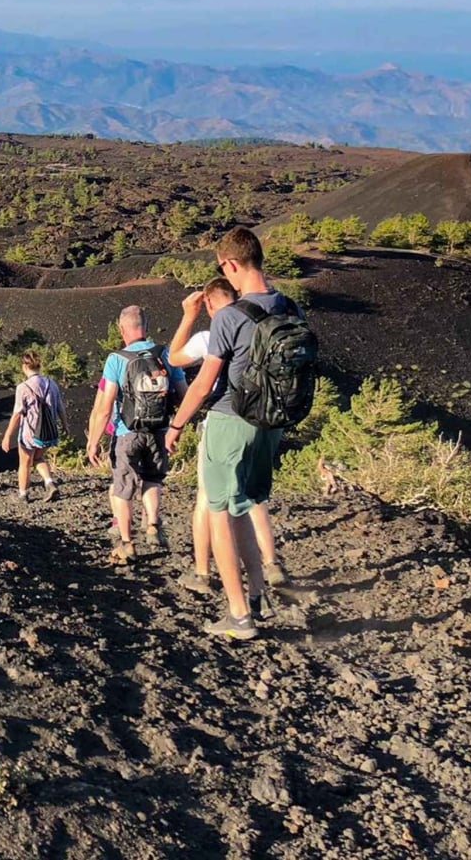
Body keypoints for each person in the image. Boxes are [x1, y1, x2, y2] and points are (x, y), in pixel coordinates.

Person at [165, 227, 308, 640]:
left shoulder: (231, 316)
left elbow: (203, 383)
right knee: (244, 505)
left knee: (219, 513)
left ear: (230, 265)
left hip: (231, 419)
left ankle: (239, 614)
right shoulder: (290, 307)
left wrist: (176, 425)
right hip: (272, 423)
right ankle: (257, 596)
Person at [168, 278, 288, 595]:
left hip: (224, 421)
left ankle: (203, 572)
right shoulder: (258, 328)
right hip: (263, 420)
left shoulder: (211, 335)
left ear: (208, 303)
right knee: (254, 499)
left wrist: (188, 316)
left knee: (209, 500)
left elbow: (174, 358)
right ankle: (271, 564)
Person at [86, 305, 187, 559]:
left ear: (122, 330)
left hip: (126, 432)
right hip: (159, 430)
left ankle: (127, 543)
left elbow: (105, 406)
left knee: (123, 487)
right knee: (153, 478)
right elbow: (185, 394)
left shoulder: (116, 359)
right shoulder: (165, 353)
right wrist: (176, 428)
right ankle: (152, 525)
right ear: (146, 327)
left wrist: (94, 441)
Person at [0, 350, 64, 502]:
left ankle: (23, 494)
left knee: (25, 462)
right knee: (38, 457)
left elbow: (17, 413)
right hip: (49, 431)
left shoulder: (23, 387)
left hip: (30, 432)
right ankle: (49, 483)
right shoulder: (52, 384)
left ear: (24, 366)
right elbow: (60, 407)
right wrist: (65, 425)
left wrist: (7, 436)